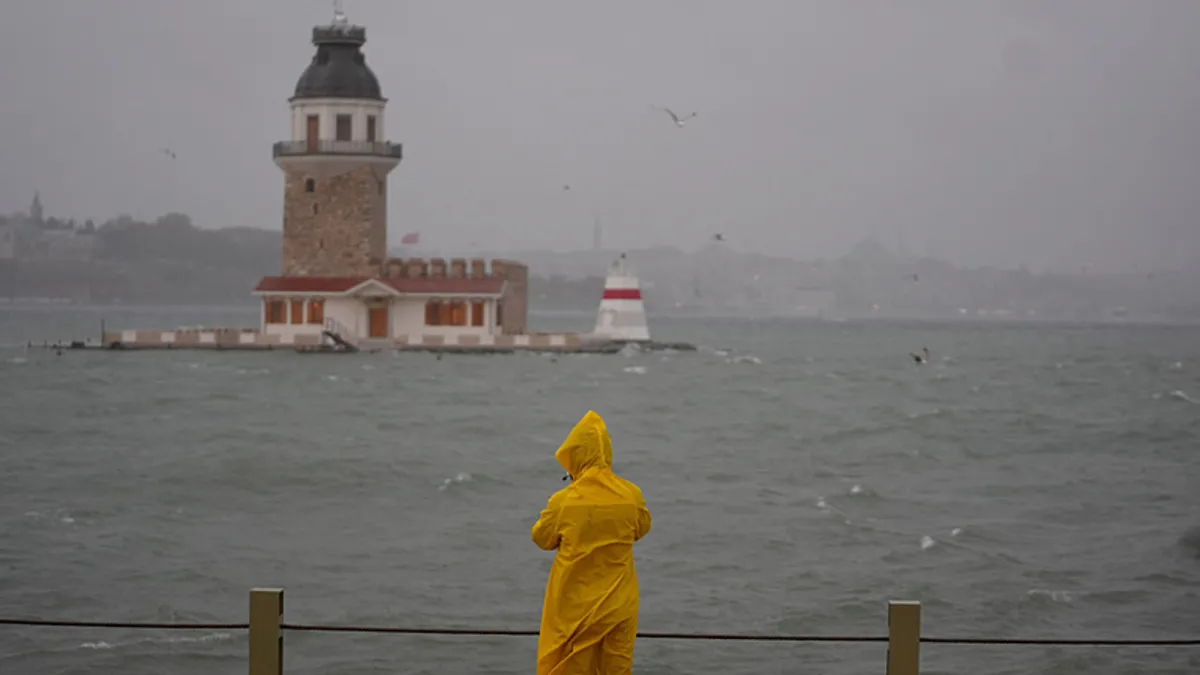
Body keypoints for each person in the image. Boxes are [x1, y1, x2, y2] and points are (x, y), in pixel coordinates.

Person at [532, 410, 652, 675]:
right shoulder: (631, 495)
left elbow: (542, 538)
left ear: (574, 457)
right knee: (615, 669)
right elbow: (642, 528)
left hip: (574, 608)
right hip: (619, 603)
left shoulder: (563, 501)